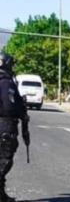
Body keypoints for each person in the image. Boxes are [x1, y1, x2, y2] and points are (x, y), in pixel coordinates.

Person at [0, 53, 29, 201]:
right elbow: (9, 107)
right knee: (4, 159)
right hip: (5, 125)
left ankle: (1, 195)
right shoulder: (5, 82)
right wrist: (21, 110)